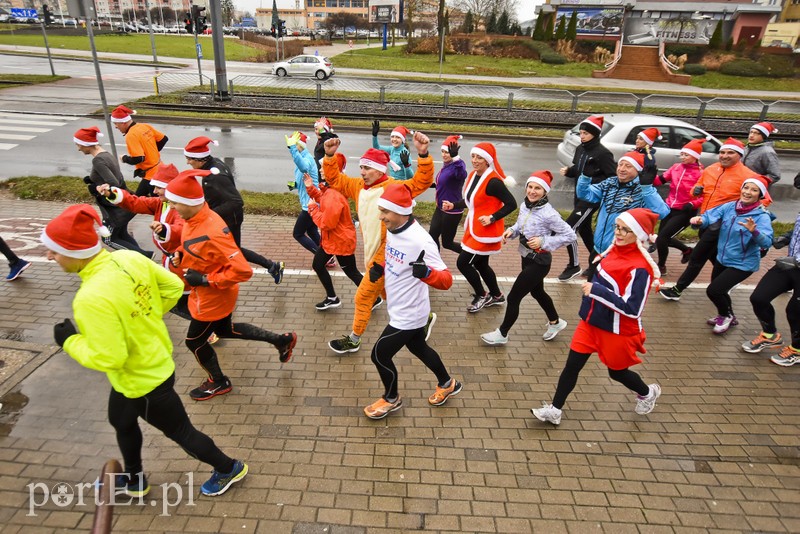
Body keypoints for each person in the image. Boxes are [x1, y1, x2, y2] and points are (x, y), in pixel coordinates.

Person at [41, 204, 248, 497]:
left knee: (181, 432)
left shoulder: (90, 298)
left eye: (55, 250)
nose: (49, 256)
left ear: (75, 252)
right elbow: (174, 287)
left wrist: (70, 342)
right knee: (121, 421)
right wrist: (148, 314)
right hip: (145, 367)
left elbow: (109, 357)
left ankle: (229, 468)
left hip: (144, 381)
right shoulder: (126, 258)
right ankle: (134, 478)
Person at [165, 172, 298, 400]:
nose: (172, 207)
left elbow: (242, 270)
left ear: (189, 202)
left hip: (212, 298)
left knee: (194, 342)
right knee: (225, 330)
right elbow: (196, 248)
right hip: (207, 294)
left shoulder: (213, 230)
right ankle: (281, 340)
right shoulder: (193, 218)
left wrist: (205, 280)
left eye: (175, 202)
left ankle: (218, 382)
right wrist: (180, 254)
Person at [531, 208, 663, 426]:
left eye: (625, 230)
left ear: (638, 234)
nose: (618, 233)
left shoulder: (641, 268)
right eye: (617, 227)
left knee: (617, 373)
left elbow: (633, 309)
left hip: (617, 330)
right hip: (590, 324)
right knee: (571, 367)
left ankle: (648, 392)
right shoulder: (612, 251)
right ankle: (555, 410)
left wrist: (596, 292)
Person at [323, 133, 434, 354]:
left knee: (363, 296)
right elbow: (335, 180)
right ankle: (425, 316)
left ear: (381, 170)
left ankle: (354, 339)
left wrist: (423, 154)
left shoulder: (392, 187)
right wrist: (329, 156)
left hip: (385, 255)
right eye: (361, 167)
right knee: (388, 294)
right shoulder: (357, 186)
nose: (362, 172)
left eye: (367, 168)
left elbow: (421, 182)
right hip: (370, 253)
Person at [363, 183, 459, 419]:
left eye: (385, 211)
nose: (381, 216)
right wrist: (381, 268)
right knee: (418, 347)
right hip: (399, 307)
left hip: (410, 313)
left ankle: (391, 398)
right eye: (380, 210)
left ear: (401, 212)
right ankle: (447, 383)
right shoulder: (394, 230)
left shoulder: (421, 240)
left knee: (379, 354)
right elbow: (397, 258)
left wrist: (427, 274)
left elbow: (447, 280)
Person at [660, 138, 762, 301]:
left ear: (739, 155)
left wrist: (741, 213)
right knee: (715, 255)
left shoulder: (748, 176)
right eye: (722, 152)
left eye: (730, 152)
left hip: (725, 224)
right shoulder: (711, 169)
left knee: (697, 257)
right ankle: (724, 283)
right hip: (706, 220)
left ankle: (678, 289)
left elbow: (764, 199)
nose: (725, 155)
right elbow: (696, 191)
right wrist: (696, 191)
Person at [480, 171, 575, 346]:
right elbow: (521, 224)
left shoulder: (550, 214)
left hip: (540, 261)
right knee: (537, 292)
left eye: (537, 188)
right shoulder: (526, 205)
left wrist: (543, 240)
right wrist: (512, 231)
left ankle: (502, 333)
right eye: (530, 187)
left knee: (514, 297)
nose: (532, 191)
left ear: (545, 191)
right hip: (527, 258)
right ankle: (555, 322)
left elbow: (570, 235)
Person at [184, 136, 285, 284]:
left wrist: (210, 214)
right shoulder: (212, 164)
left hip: (230, 219)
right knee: (232, 250)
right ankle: (271, 266)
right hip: (228, 218)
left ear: (200, 159)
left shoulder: (215, 176)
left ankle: (269, 267)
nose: (188, 162)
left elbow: (236, 201)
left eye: (189, 159)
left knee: (233, 251)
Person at [688, 177, 773, 334]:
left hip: (743, 263)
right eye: (746, 188)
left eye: (754, 190)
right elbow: (710, 216)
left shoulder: (761, 216)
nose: (748, 192)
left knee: (714, 290)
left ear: (760, 195)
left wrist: (754, 231)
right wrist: (700, 220)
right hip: (723, 258)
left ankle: (725, 316)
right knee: (720, 290)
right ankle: (728, 315)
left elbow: (767, 242)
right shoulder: (730, 207)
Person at [442, 142, 517, 313]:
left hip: (486, 231)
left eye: (480, 158)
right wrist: (453, 205)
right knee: (482, 265)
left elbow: (512, 204)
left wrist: (493, 217)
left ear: (487, 160)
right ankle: (497, 296)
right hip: (474, 229)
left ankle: (481, 295)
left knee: (463, 263)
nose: (475, 161)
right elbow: (471, 201)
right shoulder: (473, 176)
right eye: (473, 156)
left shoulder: (494, 182)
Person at [576, 151, 669, 280]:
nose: (622, 169)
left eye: (628, 166)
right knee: (590, 293)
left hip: (622, 254)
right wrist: (585, 177)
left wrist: (647, 188)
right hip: (599, 250)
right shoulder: (610, 183)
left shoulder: (642, 189)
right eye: (620, 165)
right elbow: (585, 194)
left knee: (611, 295)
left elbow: (662, 213)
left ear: (638, 170)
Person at [74, 126, 151, 258]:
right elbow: (114, 176)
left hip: (117, 209)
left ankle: (143, 257)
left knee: (108, 239)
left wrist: (95, 189)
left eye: (79, 145)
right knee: (121, 235)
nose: (78, 149)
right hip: (126, 202)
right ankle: (144, 257)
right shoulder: (106, 154)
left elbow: (114, 183)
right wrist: (92, 179)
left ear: (86, 144)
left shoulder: (97, 160)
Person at [558, 115, 617, 281]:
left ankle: (574, 265)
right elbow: (579, 168)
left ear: (595, 134)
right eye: (581, 133)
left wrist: (594, 182)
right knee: (584, 229)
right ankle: (597, 262)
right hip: (579, 194)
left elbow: (613, 177)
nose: (582, 136)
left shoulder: (604, 154)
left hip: (592, 198)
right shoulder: (580, 148)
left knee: (568, 228)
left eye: (585, 133)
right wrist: (570, 171)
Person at [745, 210, 800, 365]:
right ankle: (770, 336)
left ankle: (797, 350)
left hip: (794, 263)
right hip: (790, 264)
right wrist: (787, 237)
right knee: (759, 298)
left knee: (795, 311)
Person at [304, 172, 364, 310]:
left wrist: (313, 209)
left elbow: (326, 224)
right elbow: (323, 199)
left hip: (340, 242)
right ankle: (332, 297)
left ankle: (371, 297)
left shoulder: (334, 195)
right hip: (334, 241)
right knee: (319, 265)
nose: (320, 170)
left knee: (351, 272)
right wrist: (310, 188)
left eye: (324, 168)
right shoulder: (332, 190)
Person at [652, 138, 705, 274]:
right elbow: (659, 181)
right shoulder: (676, 167)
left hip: (685, 211)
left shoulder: (701, 174)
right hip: (669, 207)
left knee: (663, 238)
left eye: (686, 155)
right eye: (682, 154)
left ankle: (661, 266)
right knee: (662, 239)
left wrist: (693, 203)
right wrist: (650, 174)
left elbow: (705, 196)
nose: (682, 157)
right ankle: (687, 250)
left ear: (695, 156)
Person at [110, 105, 167, 197]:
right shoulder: (144, 126)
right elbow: (163, 139)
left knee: (144, 203)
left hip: (151, 175)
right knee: (139, 200)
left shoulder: (131, 135)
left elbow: (139, 158)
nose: (116, 127)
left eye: (116, 124)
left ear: (123, 122)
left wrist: (124, 158)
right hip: (159, 168)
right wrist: (152, 152)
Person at [429, 135, 467, 256]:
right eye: (443, 151)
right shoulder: (447, 166)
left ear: (454, 153)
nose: (444, 155)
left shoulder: (457, 166)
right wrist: (434, 185)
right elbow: (447, 182)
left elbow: (462, 175)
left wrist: (456, 158)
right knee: (432, 236)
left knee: (447, 243)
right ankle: (435, 260)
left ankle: (471, 255)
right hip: (440, 208)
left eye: (447, 152)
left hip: (452, 211)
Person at [285, 131, 321, 254]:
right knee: (311, 231)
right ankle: (327, 253)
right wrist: (295, 185)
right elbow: (304, 178)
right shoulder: (302, 157)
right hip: (311, 202)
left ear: (299, 145)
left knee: (298, 233)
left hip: (310, 204)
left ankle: (322, 257)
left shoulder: (307, 159)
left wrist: (293, 150)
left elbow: (304, 168)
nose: (290, 149)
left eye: (292, 145)